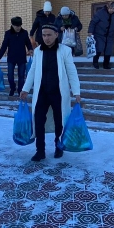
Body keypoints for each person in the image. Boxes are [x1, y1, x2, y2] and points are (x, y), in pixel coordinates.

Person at [20, 25, 81, 162]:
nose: (46, 38)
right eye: (44, 35)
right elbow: (32, 71)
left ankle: (58, 147)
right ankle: (40, 151)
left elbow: (72, 71)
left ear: (56, 35)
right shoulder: (38, 51)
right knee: (38, 121)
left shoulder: (65, 51)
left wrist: (76, 91)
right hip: (41, 93)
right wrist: (25, 89)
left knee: (60, 121)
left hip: (58, 93)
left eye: (49, 35)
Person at [0, 16, 34, 97]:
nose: (18, 28)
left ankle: (20, 90)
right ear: (12, 25)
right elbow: (4, 46)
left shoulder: (24, 33)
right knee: (10, 76)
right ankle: (12, 88)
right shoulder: (8, 33)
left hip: (21, 58)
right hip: (11, 58)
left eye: (20, 26)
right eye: (16, 26)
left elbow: (28, 43)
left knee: (21, 76)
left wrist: (30, 49)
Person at [88, 1, 114, 69]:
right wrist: (90, 31)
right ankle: (95, 62)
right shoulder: (100, 13)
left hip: (110, 35)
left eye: (113, 9)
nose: (111, 10)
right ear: (107, 7)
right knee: (99, 48)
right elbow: (93, 22)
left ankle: (106, 64)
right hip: (99, 34)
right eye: (110, 8)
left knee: (108, 50)